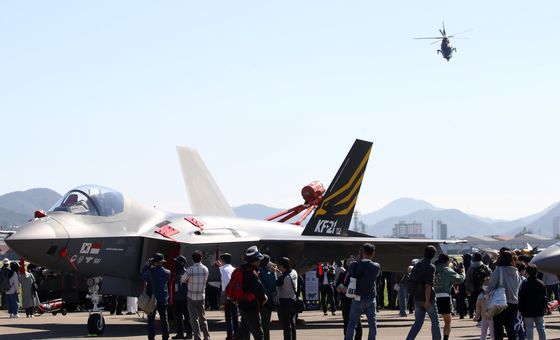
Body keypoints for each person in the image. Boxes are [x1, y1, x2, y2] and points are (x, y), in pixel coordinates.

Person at [345, 243, 381, 340]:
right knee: (372, 323)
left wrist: (358, 259)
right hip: (370, 297)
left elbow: (351, 270)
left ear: (362, 252)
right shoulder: (376, 266)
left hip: (357, 297)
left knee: (352, 323)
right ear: (373, 253)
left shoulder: (354, 265)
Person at [406, 245, 441, 340]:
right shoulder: (430, 267)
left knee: (418, 322)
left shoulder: (417, 265)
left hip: (417, 297)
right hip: (427, 299)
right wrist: (427, 300)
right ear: (434, 255)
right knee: (435, 322)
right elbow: (428, 285)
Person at [236, 246, 267, 340]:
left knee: (243, 330)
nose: (259, 262)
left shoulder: (242, 269)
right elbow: (259, 290)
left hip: (242, 305)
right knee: (258, 333)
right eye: (258, 260)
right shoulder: (252, 273)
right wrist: (264, 298)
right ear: (255, 260)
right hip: (252, 307)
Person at [487, 250, 520, 340]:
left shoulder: (499, 270)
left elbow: (491, 286)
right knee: (510, 327)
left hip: (500, 302)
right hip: (514, 302)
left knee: (498, 328)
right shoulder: (516, 272)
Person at [434, 254, 465, 340]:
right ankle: (445, 338)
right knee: (447, 322)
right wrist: (463, 272)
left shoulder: (433, 268)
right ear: (447, 261)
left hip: (432, 296)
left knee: (434, 321)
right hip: (444, 297)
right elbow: (460, 279)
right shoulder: (447, 270)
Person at [182, 250, 210, 340]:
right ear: (201, 258)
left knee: (194, 319)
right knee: (203, 318)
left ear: (192, 259)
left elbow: (182, 280)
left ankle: (197, 338)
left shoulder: (190, 270)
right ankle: (207, 337)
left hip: (191, 297)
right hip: (202, 296)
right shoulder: (205, 269)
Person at [142, 253, 171, 340]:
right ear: (162, 262)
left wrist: (147, 266)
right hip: (163, 298)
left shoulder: (150, 272)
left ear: (155, 262)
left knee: (151, 320)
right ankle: (165, 336)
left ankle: (151, 337)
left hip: (152, 299)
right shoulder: (167, 272)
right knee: (164, 319)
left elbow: (142, 276)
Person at [336, 256, 362, 340]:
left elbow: (359, 287)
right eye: (348, 261)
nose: (349, 263)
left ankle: (358, 338)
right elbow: (337, 284)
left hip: (354, 300)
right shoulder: (343, 274)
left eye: (351, 261)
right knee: (346, 321)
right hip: (345, 301)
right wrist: (339, 288)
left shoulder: (357, 274)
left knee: (357, 322)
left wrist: (348, 289)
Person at [519, 264, 548, 340]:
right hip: (539, 309)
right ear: (536, 272)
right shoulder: (541, 283)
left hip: (527, 310)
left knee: (529, 329)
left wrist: (521, 309)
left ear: (527, 272)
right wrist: (545, 307)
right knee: (541, 328)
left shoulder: (525, 283)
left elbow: (521, 297)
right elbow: (545, 297)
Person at [276, 257, 298, 340]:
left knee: (286, 326)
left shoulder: (283, 278)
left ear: (282, 266)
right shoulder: (294, 272)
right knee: (292, 324)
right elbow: (285, 274)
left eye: (279, 266)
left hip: (284, 302)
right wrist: (278, 272)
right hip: (293, 300)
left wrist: (276, 273)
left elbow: (277, 284)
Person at [217, 253, 238, 340]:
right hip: (235, 296)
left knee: (228, 318)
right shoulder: (234, 269)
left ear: (223, 261)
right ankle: (236, 334)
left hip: (228, 296)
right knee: (235, 316)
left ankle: (229, 335)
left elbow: (225, 283)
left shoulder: (223, 270)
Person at [466, 253, 492, 320]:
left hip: (474, 289)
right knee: (485, 302)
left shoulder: (471, 268)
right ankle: (482, 315)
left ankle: (478, 314)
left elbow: (468, 280)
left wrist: (468, 289)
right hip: (484, 288)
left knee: (476, 303)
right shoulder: (485, 267)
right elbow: (491, 276)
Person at [173, 255, 193, 340]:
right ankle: (179, 333)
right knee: (178, 317)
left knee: (187, 317)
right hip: (177, 298)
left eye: (177, 262)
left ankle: (189, 333)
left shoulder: (186, 273)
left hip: (184, 299)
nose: (175, 264)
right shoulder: (177, 272)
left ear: (181, 263)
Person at [259, 254, 277, 340]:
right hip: (267, 301)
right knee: (265, 325)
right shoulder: (271, 273)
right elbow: (273, 287)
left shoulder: (257, 271)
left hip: (257, 301)